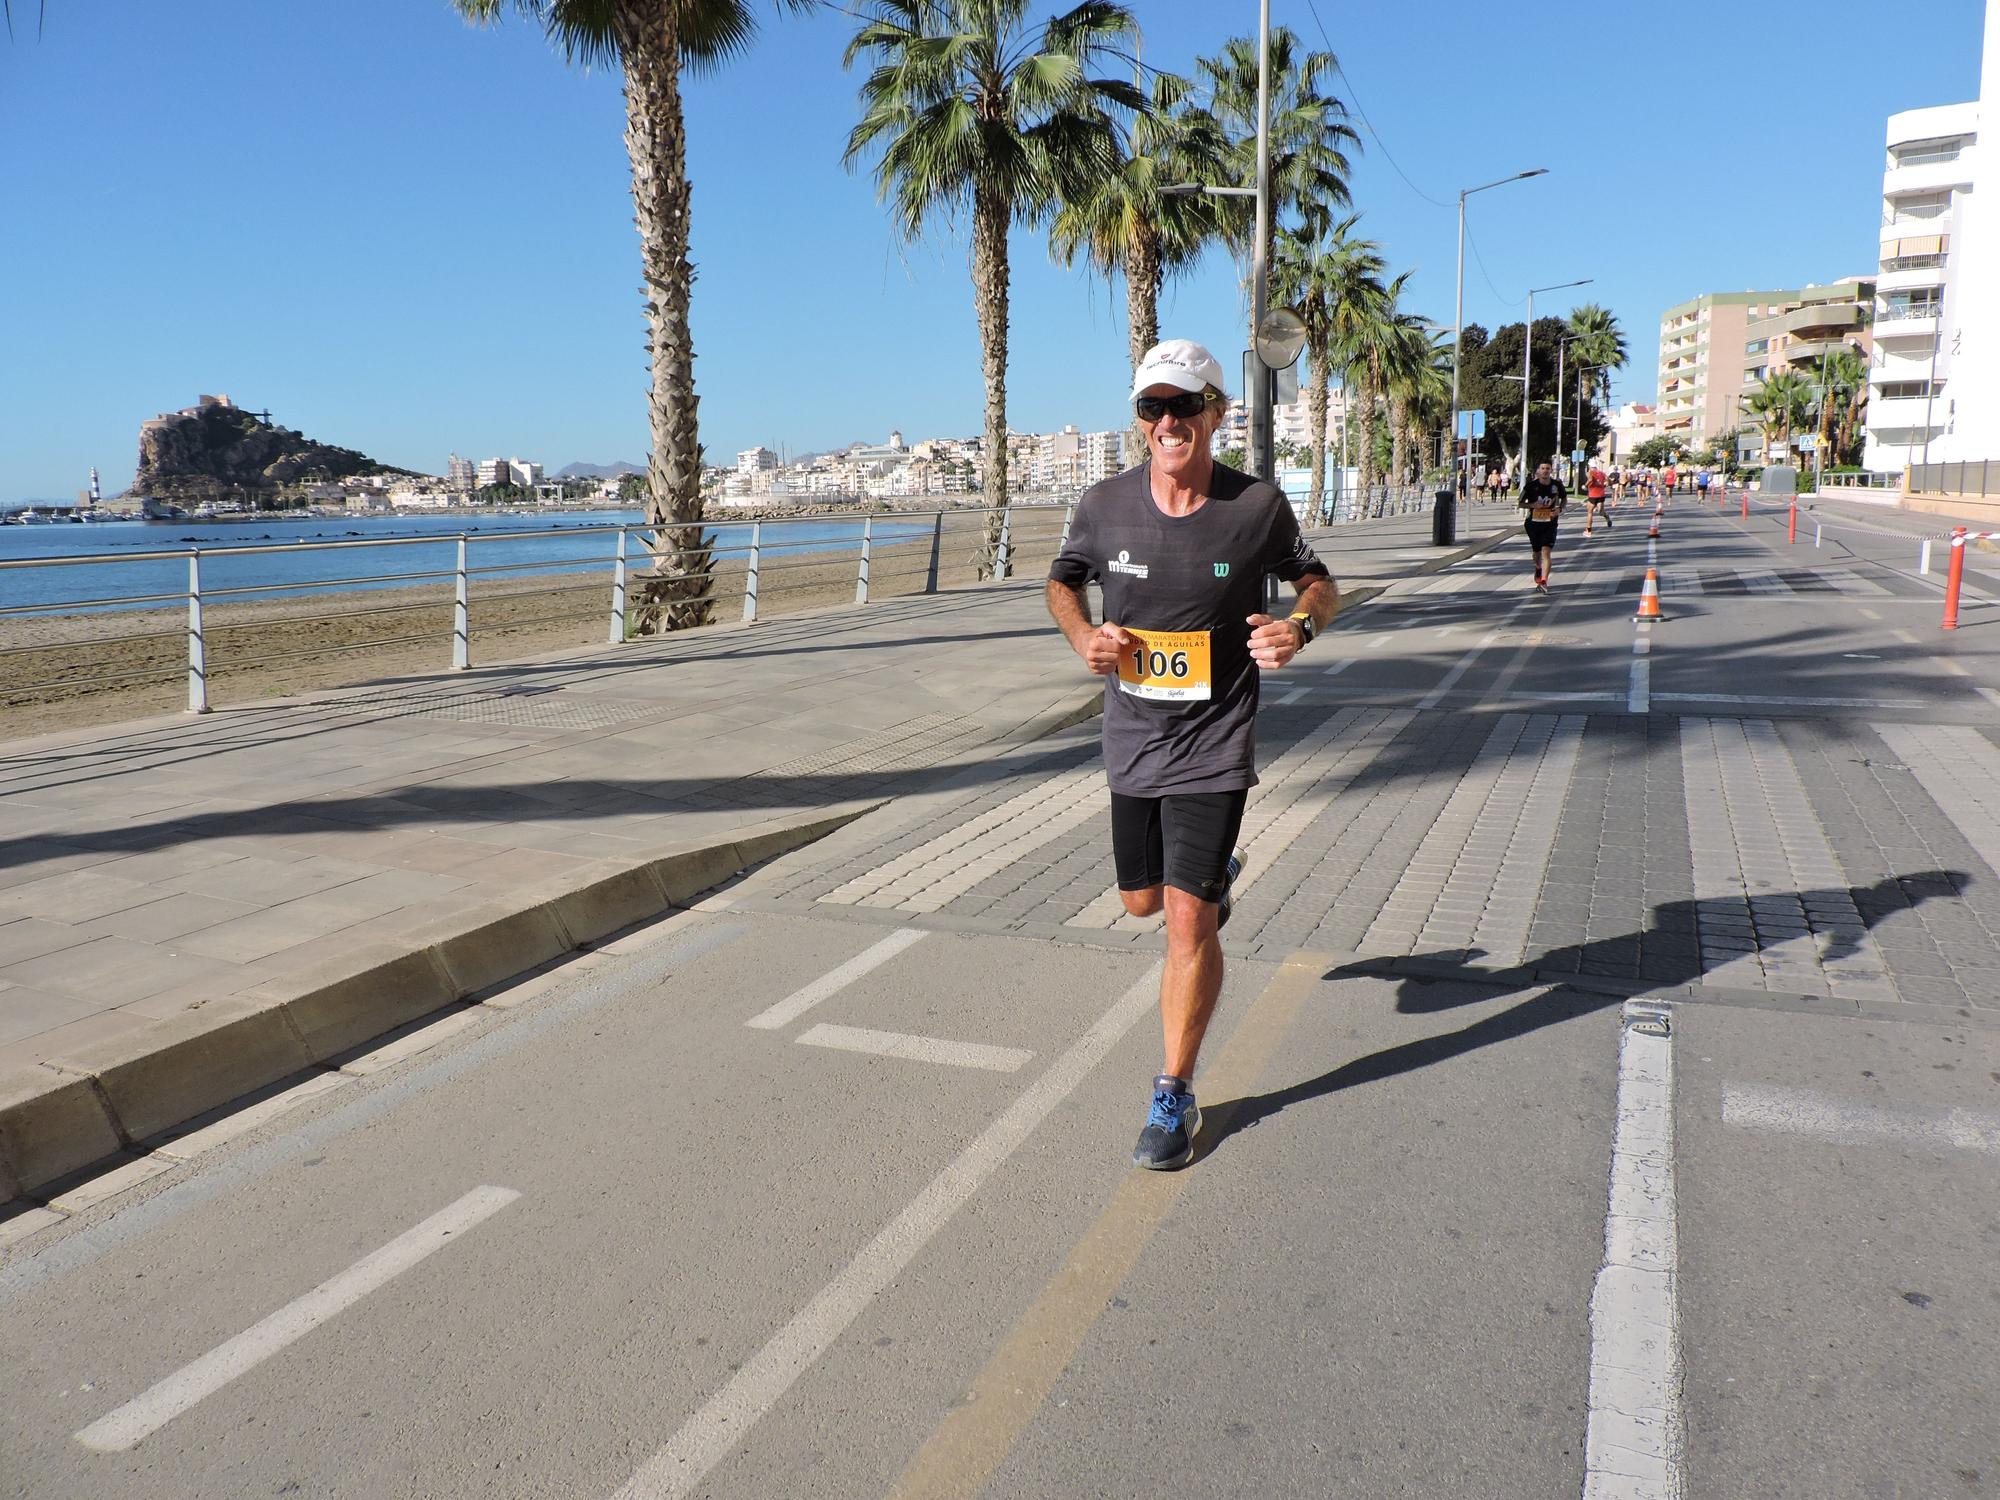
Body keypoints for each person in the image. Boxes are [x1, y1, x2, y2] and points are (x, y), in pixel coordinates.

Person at [1047, 338, 1338, 1171]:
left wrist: (1300, 626)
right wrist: (1082, 637)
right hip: (1133, 736)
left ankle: (1173, 1092)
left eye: (1183, 407)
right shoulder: (1103, 506)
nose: (1168, 422)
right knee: (1140, 903)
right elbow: (1062, 581)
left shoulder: (1256, 508)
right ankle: (1208, 886)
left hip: (1215, 742)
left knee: (1185, 919)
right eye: (1152, 408)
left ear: (1216, 412)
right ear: (1140, 421)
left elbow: (1321, 583)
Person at [1518, 460, 1567, 594]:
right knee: (1536, 553)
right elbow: (1520, 503)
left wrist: (1559, 509)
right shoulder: (1530, 486)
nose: (1545, 471)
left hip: (1550, 523)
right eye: (1543, 468)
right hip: (1533, 523)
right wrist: (1533, 505)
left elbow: (1564, 498)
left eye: (1548, 468)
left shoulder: (1556, 485)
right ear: (1538, 471)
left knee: (1546, 551)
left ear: (1551, 470)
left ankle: (1544, 581)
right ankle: (1538, 568)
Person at [1583, 462, 1610, 537]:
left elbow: (1590, 479)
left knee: (1590, 512)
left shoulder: (1589, 472)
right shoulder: (1602, 473)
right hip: (1601, 495)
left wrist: (1585, 486)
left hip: (1592, 495)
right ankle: (1607, 516)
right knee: (1600, 511)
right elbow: (1608, 480)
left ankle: (1588, 530)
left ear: (1589, 466)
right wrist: (1606, 484)